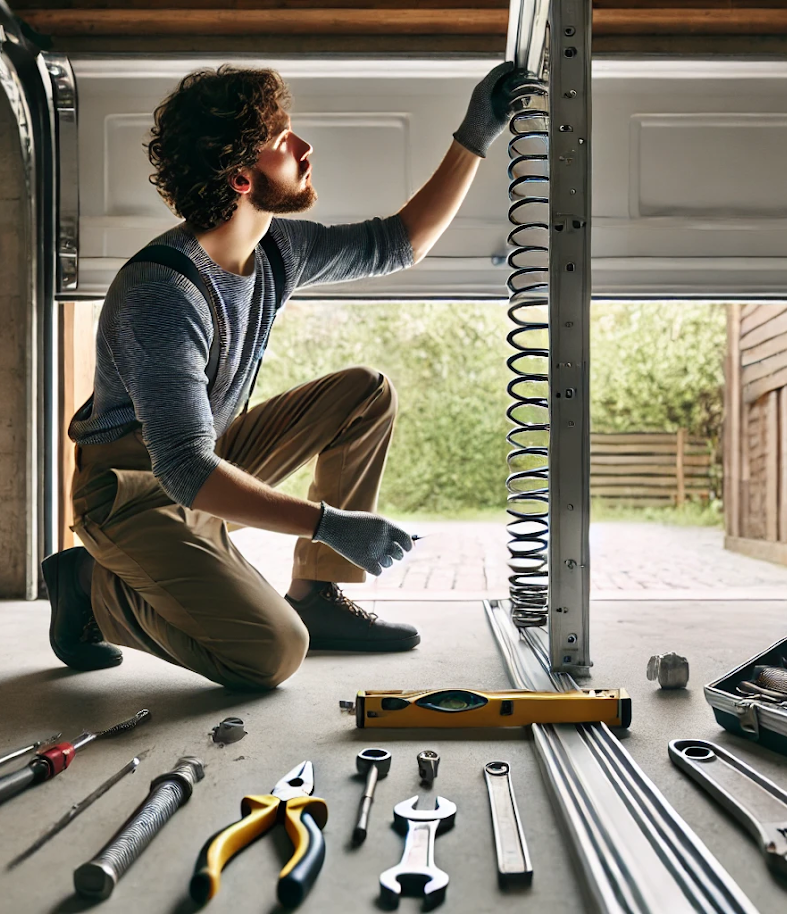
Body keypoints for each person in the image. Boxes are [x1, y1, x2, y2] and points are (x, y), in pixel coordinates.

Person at [41, 61, 534, 690]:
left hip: (202, 460)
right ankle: (90, 591)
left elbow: (400, 242)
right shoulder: (162, 292)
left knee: (365, 393)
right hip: (133, 495)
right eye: (282, 142)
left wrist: (475, 134)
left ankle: (318, 596)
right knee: (269, 655)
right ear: (242, 178)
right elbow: (185, 471)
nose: (304, 149)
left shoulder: (278, 250)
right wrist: (329, 522)